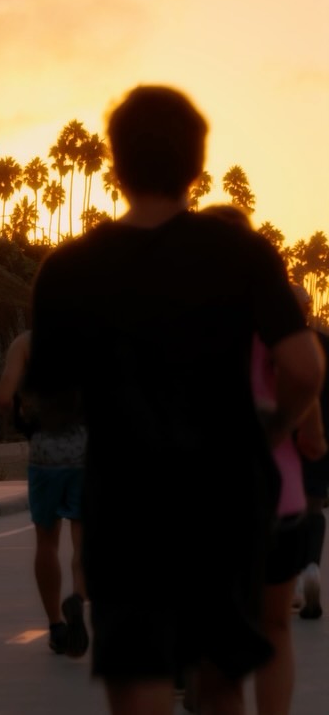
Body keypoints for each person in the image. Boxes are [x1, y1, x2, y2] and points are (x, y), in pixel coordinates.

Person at [24, 85, 325, 715]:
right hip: (226, 499)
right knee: (219, 684)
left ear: (116, 163)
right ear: (196, 166)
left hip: (126, 502)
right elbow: (303, 364)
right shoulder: (241, 254)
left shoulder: (70, 268)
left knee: (139, 683)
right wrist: (273, 428)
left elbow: (52, 395)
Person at [195, 206, 327, 715]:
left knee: (217, 653)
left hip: (202, 499)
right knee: (275, 628)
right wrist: (295, 426)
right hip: (278, 495)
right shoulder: (277, 312)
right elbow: (310, 423)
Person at [0, 329, 89, 658]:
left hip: (45, 454)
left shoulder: (25, 343)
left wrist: (24, 424)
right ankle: (77, 597)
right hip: (84, 452)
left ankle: (56, 627)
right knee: (84, 538)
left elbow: (4, 397)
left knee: (46, 543)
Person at [294, 285, 329, 619]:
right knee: (314, 507)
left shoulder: (271, 349)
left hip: (282, 443)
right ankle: (311, 568)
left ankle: (288, 583)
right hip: (320, 440)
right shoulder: (324, 346)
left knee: (284, 510)